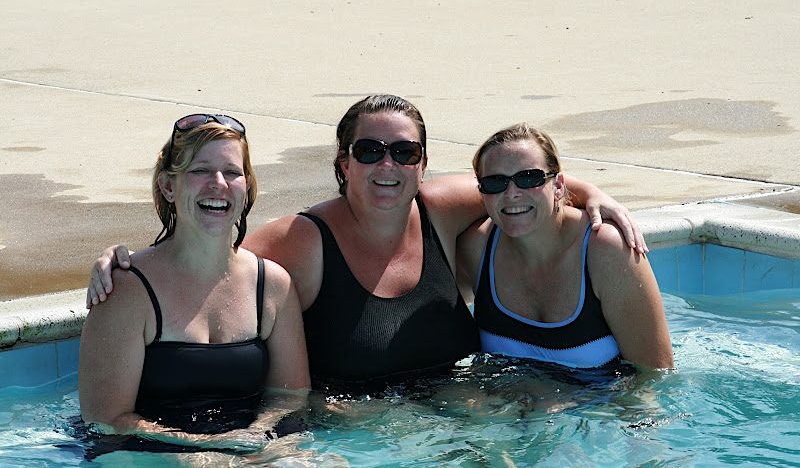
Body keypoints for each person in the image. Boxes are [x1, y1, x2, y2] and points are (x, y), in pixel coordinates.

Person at [86, 96, 648, 389]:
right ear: (343, 164)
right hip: (353, 437)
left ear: (422, 166)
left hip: (460, 423)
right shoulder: (303, 242)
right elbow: (207, 257)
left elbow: (520, 182)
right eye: (369, 151)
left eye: (404, 152)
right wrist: (127, 261)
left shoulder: (441, 208)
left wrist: (593, 193)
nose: (387, 165)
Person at [79, 114, 310, 450]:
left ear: (247, 186)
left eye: (232, 172)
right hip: (150, 454)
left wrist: (259, 439)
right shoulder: (127, 290)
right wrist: (205, 449)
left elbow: (290, 397)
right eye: (200, 170)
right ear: (168, 187)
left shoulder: (272, 286)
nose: (218, 183)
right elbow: (106, 420)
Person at [456, 123, 673, 369]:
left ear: (558, 186)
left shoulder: (604, 249)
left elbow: (654, 375)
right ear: (482, 191)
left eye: (529, 178)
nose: (512, 193)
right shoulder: (476, 250)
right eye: (496, 182)